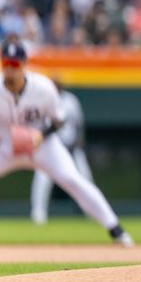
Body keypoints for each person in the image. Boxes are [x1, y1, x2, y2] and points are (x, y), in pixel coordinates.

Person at [0, 37, 133, 247]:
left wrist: (42, 134)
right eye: (6, 63)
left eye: (14, 63)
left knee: (74, 179)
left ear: (23, 64)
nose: (10, 68)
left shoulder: (43, 87)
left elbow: (59, 119)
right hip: (5, 147)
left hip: (42, 146)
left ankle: (116, 229)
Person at [30, 79, 93, 225]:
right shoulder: (44, 100)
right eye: (54, 84)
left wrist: (79, 143)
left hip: (72, 146)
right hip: (51, 146)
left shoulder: (71, 100)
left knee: (85, 178)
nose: (56, 87)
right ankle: (38, 213)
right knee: (42, 180)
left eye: (58, 85)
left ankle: (91, 212)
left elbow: (79, 124)